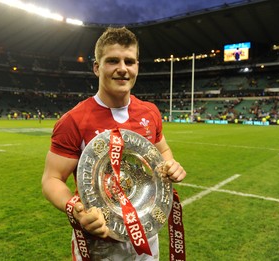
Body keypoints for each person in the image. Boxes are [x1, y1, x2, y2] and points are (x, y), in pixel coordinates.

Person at [41, 27, 187, 260]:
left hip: (146, 237)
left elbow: (163, 150)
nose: (122, 68)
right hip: (99, 241)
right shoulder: (73, 120)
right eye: (112, 61)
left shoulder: (150, 113)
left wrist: (170, 164)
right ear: (97, 67)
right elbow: (51, 179)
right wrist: (77, 211)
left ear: (137, 66)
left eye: (129, 61)